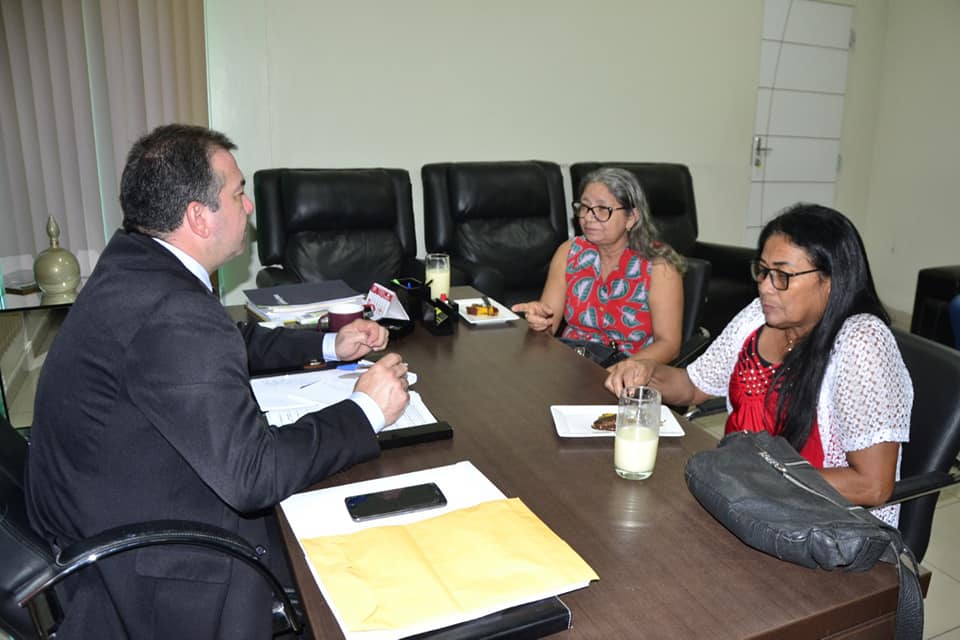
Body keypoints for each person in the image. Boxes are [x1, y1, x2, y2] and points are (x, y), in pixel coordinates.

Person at [25, 124, 411, 639]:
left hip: (108, 514)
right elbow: (253, 476)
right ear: (198, 218)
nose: (248, 208)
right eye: (238, 192)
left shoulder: (136, 265)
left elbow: (227, 341)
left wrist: (327, 344)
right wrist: (364, 410)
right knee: (375, 543)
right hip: (156, 572)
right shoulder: (170, 309)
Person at [606, 204, 911, 524]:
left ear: (830, 280)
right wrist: (646, 372)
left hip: (821, 525)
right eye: (763, 271)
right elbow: (693, 386)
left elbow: (872, 486)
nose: (765, 286)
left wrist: (758, 479)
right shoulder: (759, 315)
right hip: (740, 499)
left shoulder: (861, 343)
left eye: (782, 275)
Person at [511, 167, 685, 365]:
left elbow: (669, 345)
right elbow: (549, 326)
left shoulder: (659, 266)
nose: (588, 217)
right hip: (571, 363)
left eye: (603, 209)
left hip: (630, 370)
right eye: (584, 207)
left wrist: (619, 372)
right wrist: (539, 322)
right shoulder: (569, 252)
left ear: (631, 218)